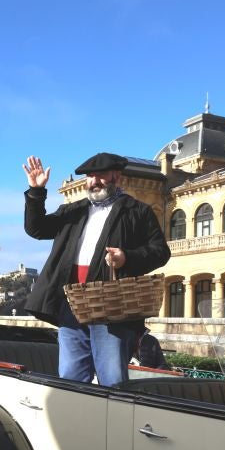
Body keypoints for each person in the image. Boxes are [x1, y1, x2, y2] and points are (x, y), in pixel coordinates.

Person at [23, 153, 170, 386]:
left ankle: (113, 421)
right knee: (71, 377)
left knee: (112, 380)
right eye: (90, 176)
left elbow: (160, 251)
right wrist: (36, 191)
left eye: (101, 175)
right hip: (71, 305)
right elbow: (37, 229)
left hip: (111, 307)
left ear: (116, 177)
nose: (94, 181)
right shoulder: (73, 210)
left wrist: (127, 258)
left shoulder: (137, 211)